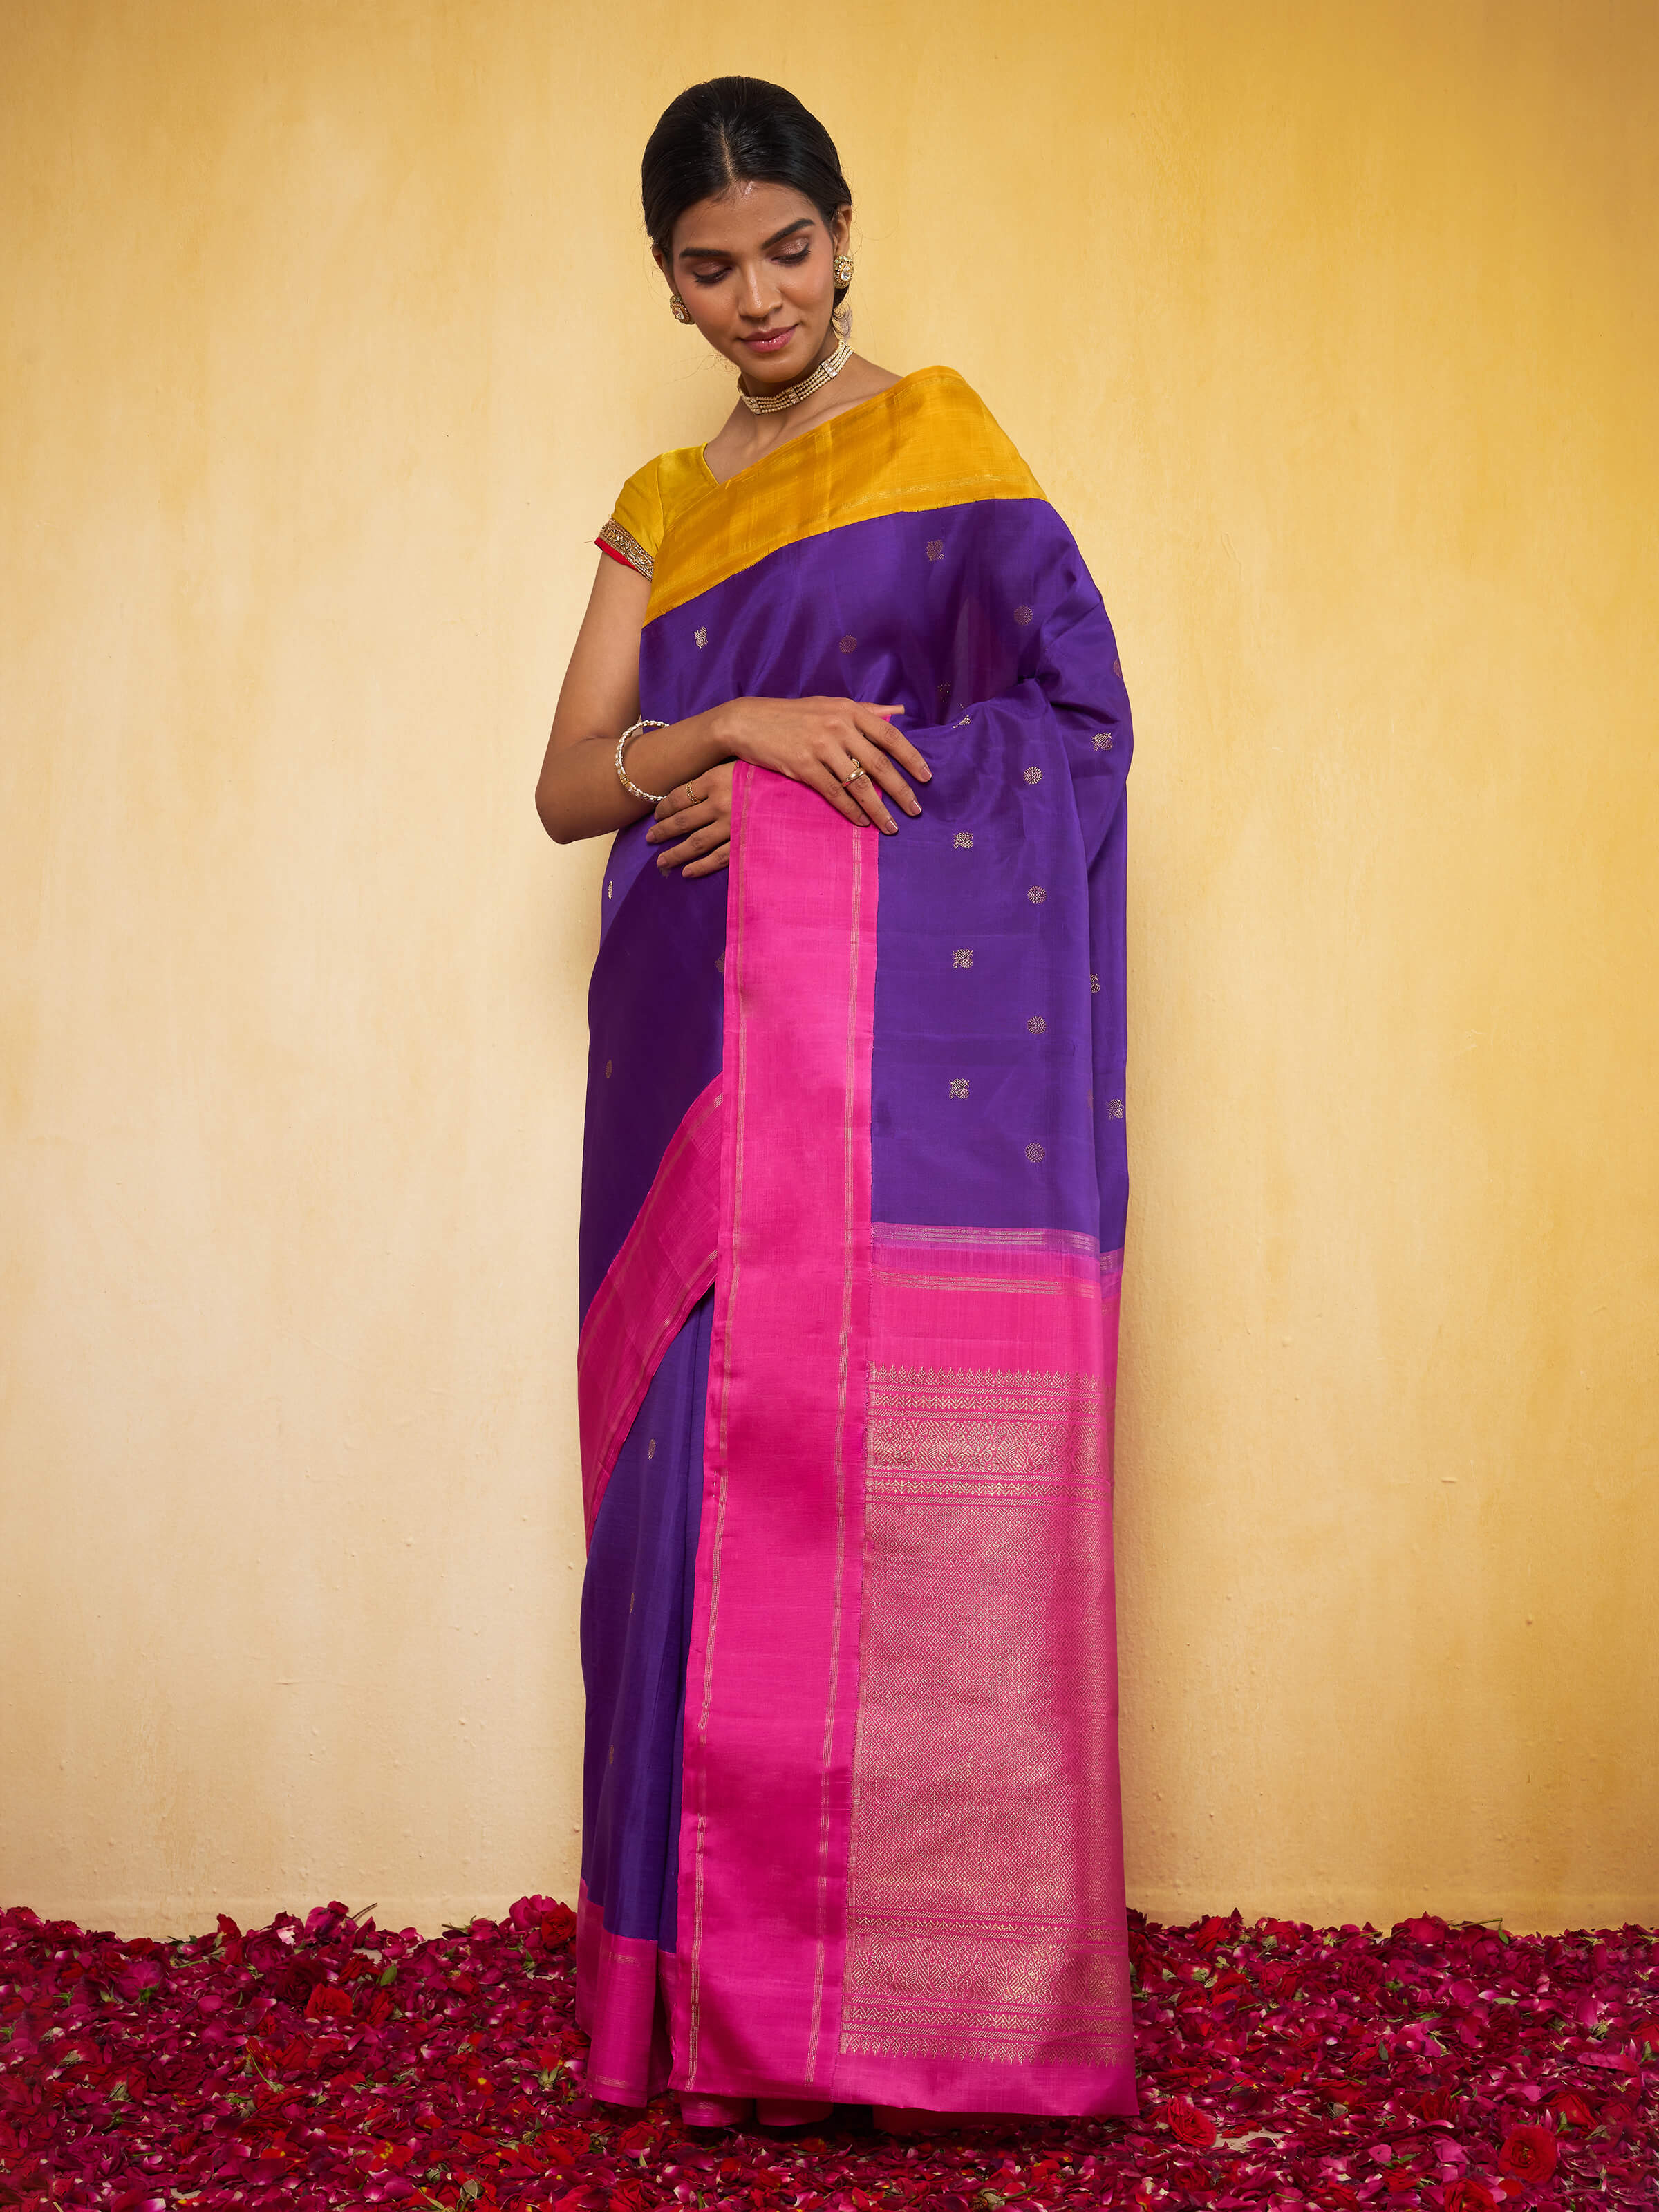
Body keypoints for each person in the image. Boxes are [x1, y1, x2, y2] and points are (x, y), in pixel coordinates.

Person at [535, 76, 1136, 2131]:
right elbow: (568, 785)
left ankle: (909, 2005)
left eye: (788, 247)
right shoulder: (663, 495)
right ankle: (685, 2001)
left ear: (846, 228)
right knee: (679, 1505)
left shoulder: (946, 442)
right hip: (691, 1052)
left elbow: (1073, 727)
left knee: (886, 1478)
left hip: (883, 1064)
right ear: (669, 284)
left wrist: (793, 784)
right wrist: (732, 723)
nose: (759, 295)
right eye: (713, 267)